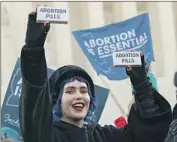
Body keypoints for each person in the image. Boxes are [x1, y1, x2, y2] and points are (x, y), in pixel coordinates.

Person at [19, 11, 172, 142]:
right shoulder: (47, 135)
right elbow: (35, 100)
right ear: (56, 99)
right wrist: (34, 49)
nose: (79, 96)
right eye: (70, 91)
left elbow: (148, 135)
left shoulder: (105, 136)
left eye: (84, 91)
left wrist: (141, 85)